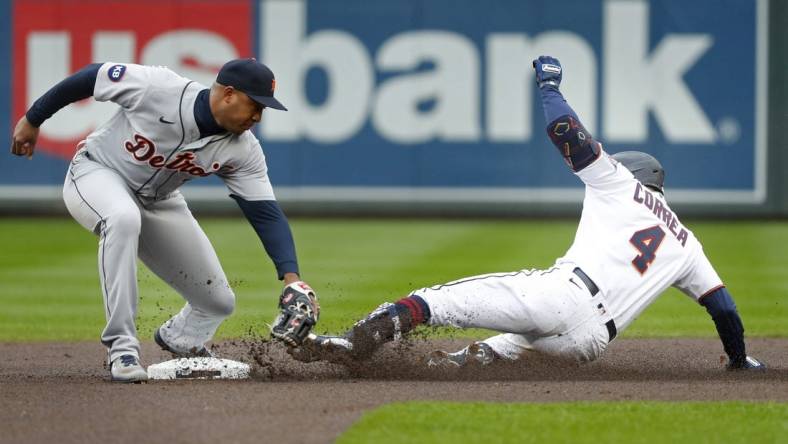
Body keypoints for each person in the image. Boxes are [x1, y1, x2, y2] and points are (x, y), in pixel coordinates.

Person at [287, 56, 765, 372]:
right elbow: (723, 308)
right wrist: (739, 360)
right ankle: (452, 363)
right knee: (484, 356)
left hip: (563, 294)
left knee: (436, 301)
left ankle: (355, 343)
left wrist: (549, 84)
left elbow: (565, 130)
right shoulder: (685, 241)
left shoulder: (618, 182)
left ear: (632, 171)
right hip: (590, 343)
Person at [11, 58, 310, 382]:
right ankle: (122, 348)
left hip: (159, 201)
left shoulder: (243, 150)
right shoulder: (158, 88)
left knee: (217, 303)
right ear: (227, 93)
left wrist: (291, 278)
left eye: (262, 110)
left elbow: (265, 213)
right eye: (254, 104)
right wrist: (33, 118)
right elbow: (92, 76)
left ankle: (181, 339)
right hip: (96, 173)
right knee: (122, 218)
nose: (257, 116)